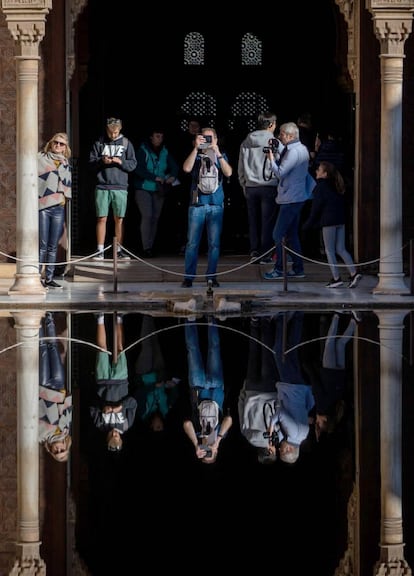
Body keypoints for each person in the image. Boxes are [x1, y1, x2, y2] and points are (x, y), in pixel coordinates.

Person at [181, 127, 232, 288]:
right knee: (192, 243)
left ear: (216, 140)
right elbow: (186, 169)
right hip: (197, 205)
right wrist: (196, 148)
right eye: (205, 138)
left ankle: (211, 276)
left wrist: (217, 153)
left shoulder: (220, 155)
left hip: (216, 204)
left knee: (214, 244)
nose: (208, 141)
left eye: (211, 138)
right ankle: (188, 277)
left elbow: (229, 172)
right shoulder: (196, 155)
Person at [302, 160, 362, 288]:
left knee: (329, 250)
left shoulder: (320, 187)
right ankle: (353, 272)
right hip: (340, 220)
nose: (316, 171)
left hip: (328, 222)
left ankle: (336, 278)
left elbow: (316, 208)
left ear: (325, 174)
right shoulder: (336, 185)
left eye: (319, 170)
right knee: (341, 249)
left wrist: (307, 224)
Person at [266, 311, 315, 464]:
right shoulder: (294, 433)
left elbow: (295, 417)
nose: (280, 447)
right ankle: (281, 318)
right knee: (278, 351)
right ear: (289, 450)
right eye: (281, 449)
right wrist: (270, 427)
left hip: (298, 389)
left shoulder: (302, 436)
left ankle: (298, 315)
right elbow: (280, 414)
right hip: (291, 387)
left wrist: (275, 438)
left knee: (291, 350)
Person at [263, 122, 310, 280]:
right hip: (296, 197)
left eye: (282, 134)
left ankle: (279, 269)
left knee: (277, 234)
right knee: (292, 235)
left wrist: (270, 158)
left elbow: (281, 172)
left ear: (290, 136)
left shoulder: (294, 152)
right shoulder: (299, 148)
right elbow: (287, 156)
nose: (279, 136)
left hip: (290, 198)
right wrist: (278, 148)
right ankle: (298, 268)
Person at [182, 317, 232, 463]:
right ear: (216, 451)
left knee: (192, 348)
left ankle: (189, 318)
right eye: (212, 452)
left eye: (205, 452)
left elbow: (186, 424)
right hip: (216, 387)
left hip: (198, 386)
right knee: (214, 347)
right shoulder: (221, 434)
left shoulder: (196, 432)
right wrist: (218, 440)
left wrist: (197, 444)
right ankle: (212, 318)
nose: (208, 448)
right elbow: (229, 419)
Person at [89, 117, 137, 261]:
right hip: (102, 185)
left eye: (116, 132)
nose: (113, 135)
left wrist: (120, 162)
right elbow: (90, 163)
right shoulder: (99, 142)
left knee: (119, 219)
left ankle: (119, 250)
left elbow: (133, 164)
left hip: (120, 185)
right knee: (101, 218)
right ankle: (100, 250)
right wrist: (101, 161)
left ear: (120, 129)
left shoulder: (126, 143)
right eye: (111, 133)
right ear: (106, 129)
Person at [89, 312, 137, 451]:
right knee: (120, 349)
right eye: (117, 436)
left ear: (107, 437)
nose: (114, 433)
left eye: (112, 435)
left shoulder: (100, 425)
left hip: (102, 381)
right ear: (121, 438)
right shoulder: (127, 424)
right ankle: (119, 319)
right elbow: (133, 403)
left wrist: (103, 408)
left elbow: (92, 406)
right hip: (121, 381)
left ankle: (100, 318)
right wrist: (120, 407)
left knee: (101, 349)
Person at [238, 111, 279, 264]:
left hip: (250, 186)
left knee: (253, 220)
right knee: (267, 221)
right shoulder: (274, 142)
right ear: (271, 125)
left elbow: (240, 165)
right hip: (269, 185)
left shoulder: (246, 141)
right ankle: (266, 253)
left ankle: (254, 251)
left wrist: (243, 183)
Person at [238, 316, 279, 464]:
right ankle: (254, 323)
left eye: (275, 451)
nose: (276, 448)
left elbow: (280, 413)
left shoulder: (276, 436)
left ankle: (266, 321)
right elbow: (241, 409)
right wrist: (243, 392)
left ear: (269, 451)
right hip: (251, 389)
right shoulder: (247, 435)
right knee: (253, 353)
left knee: (266, 353)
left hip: (269, 391)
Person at [133, 128, 179, 258]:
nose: (160, 139)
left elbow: (175, 167)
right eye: (157, 136)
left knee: (155, 218)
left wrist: (172, 176)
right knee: (147, 216)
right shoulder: (142, 150)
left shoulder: (165, 151)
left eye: (161, 136)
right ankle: (145, 247)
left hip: (159, 189)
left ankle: (150, 247)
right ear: (151, 137)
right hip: (143, 188)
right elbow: (137, 169)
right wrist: (154, 177)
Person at [312, 312, 357, 441]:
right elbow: (316, 386)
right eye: (319, 423)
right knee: (329, 342)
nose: (316, 422)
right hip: (328, 371)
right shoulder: (322, 406)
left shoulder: (336, 409)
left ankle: (354, 322)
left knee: (340, 344)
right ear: (325, 419)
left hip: (340, 373)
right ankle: (337, 315)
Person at [134, 315, 180, 432]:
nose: (160, 423)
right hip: (159, 374)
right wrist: (172, 386)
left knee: (147, 347)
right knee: (155, 342)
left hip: (145, 375)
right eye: (162, 426)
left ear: (152, 426)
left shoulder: (143, 413)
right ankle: (150, 315)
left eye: (158, 426)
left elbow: (138, 394)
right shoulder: (165, 412)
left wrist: (153, 387)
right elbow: (173, 395)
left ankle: (145, 315)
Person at [38, 132, 72, 289]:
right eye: (55, 143)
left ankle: (49, 278)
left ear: (65, 148)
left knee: (53, 245)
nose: (58, 146)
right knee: (42, 245)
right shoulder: (40, 158)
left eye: (61, 144)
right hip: (43, 206)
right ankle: (36, 277)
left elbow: (66, 186)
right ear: (51, 144)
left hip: (58, 206)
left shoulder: (65, 163)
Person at [38, 312, 72, 462]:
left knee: (43, 349)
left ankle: (36, 319)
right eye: (62, 450)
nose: (59, 449)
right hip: (58, 387)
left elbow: (35, 413)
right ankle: (49, 316)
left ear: (50, 450)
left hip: (44, 388)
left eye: (56, 452)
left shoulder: (41, 435)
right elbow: (68, 410)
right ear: (66, 446)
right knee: (53, 348)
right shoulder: (66, 430)